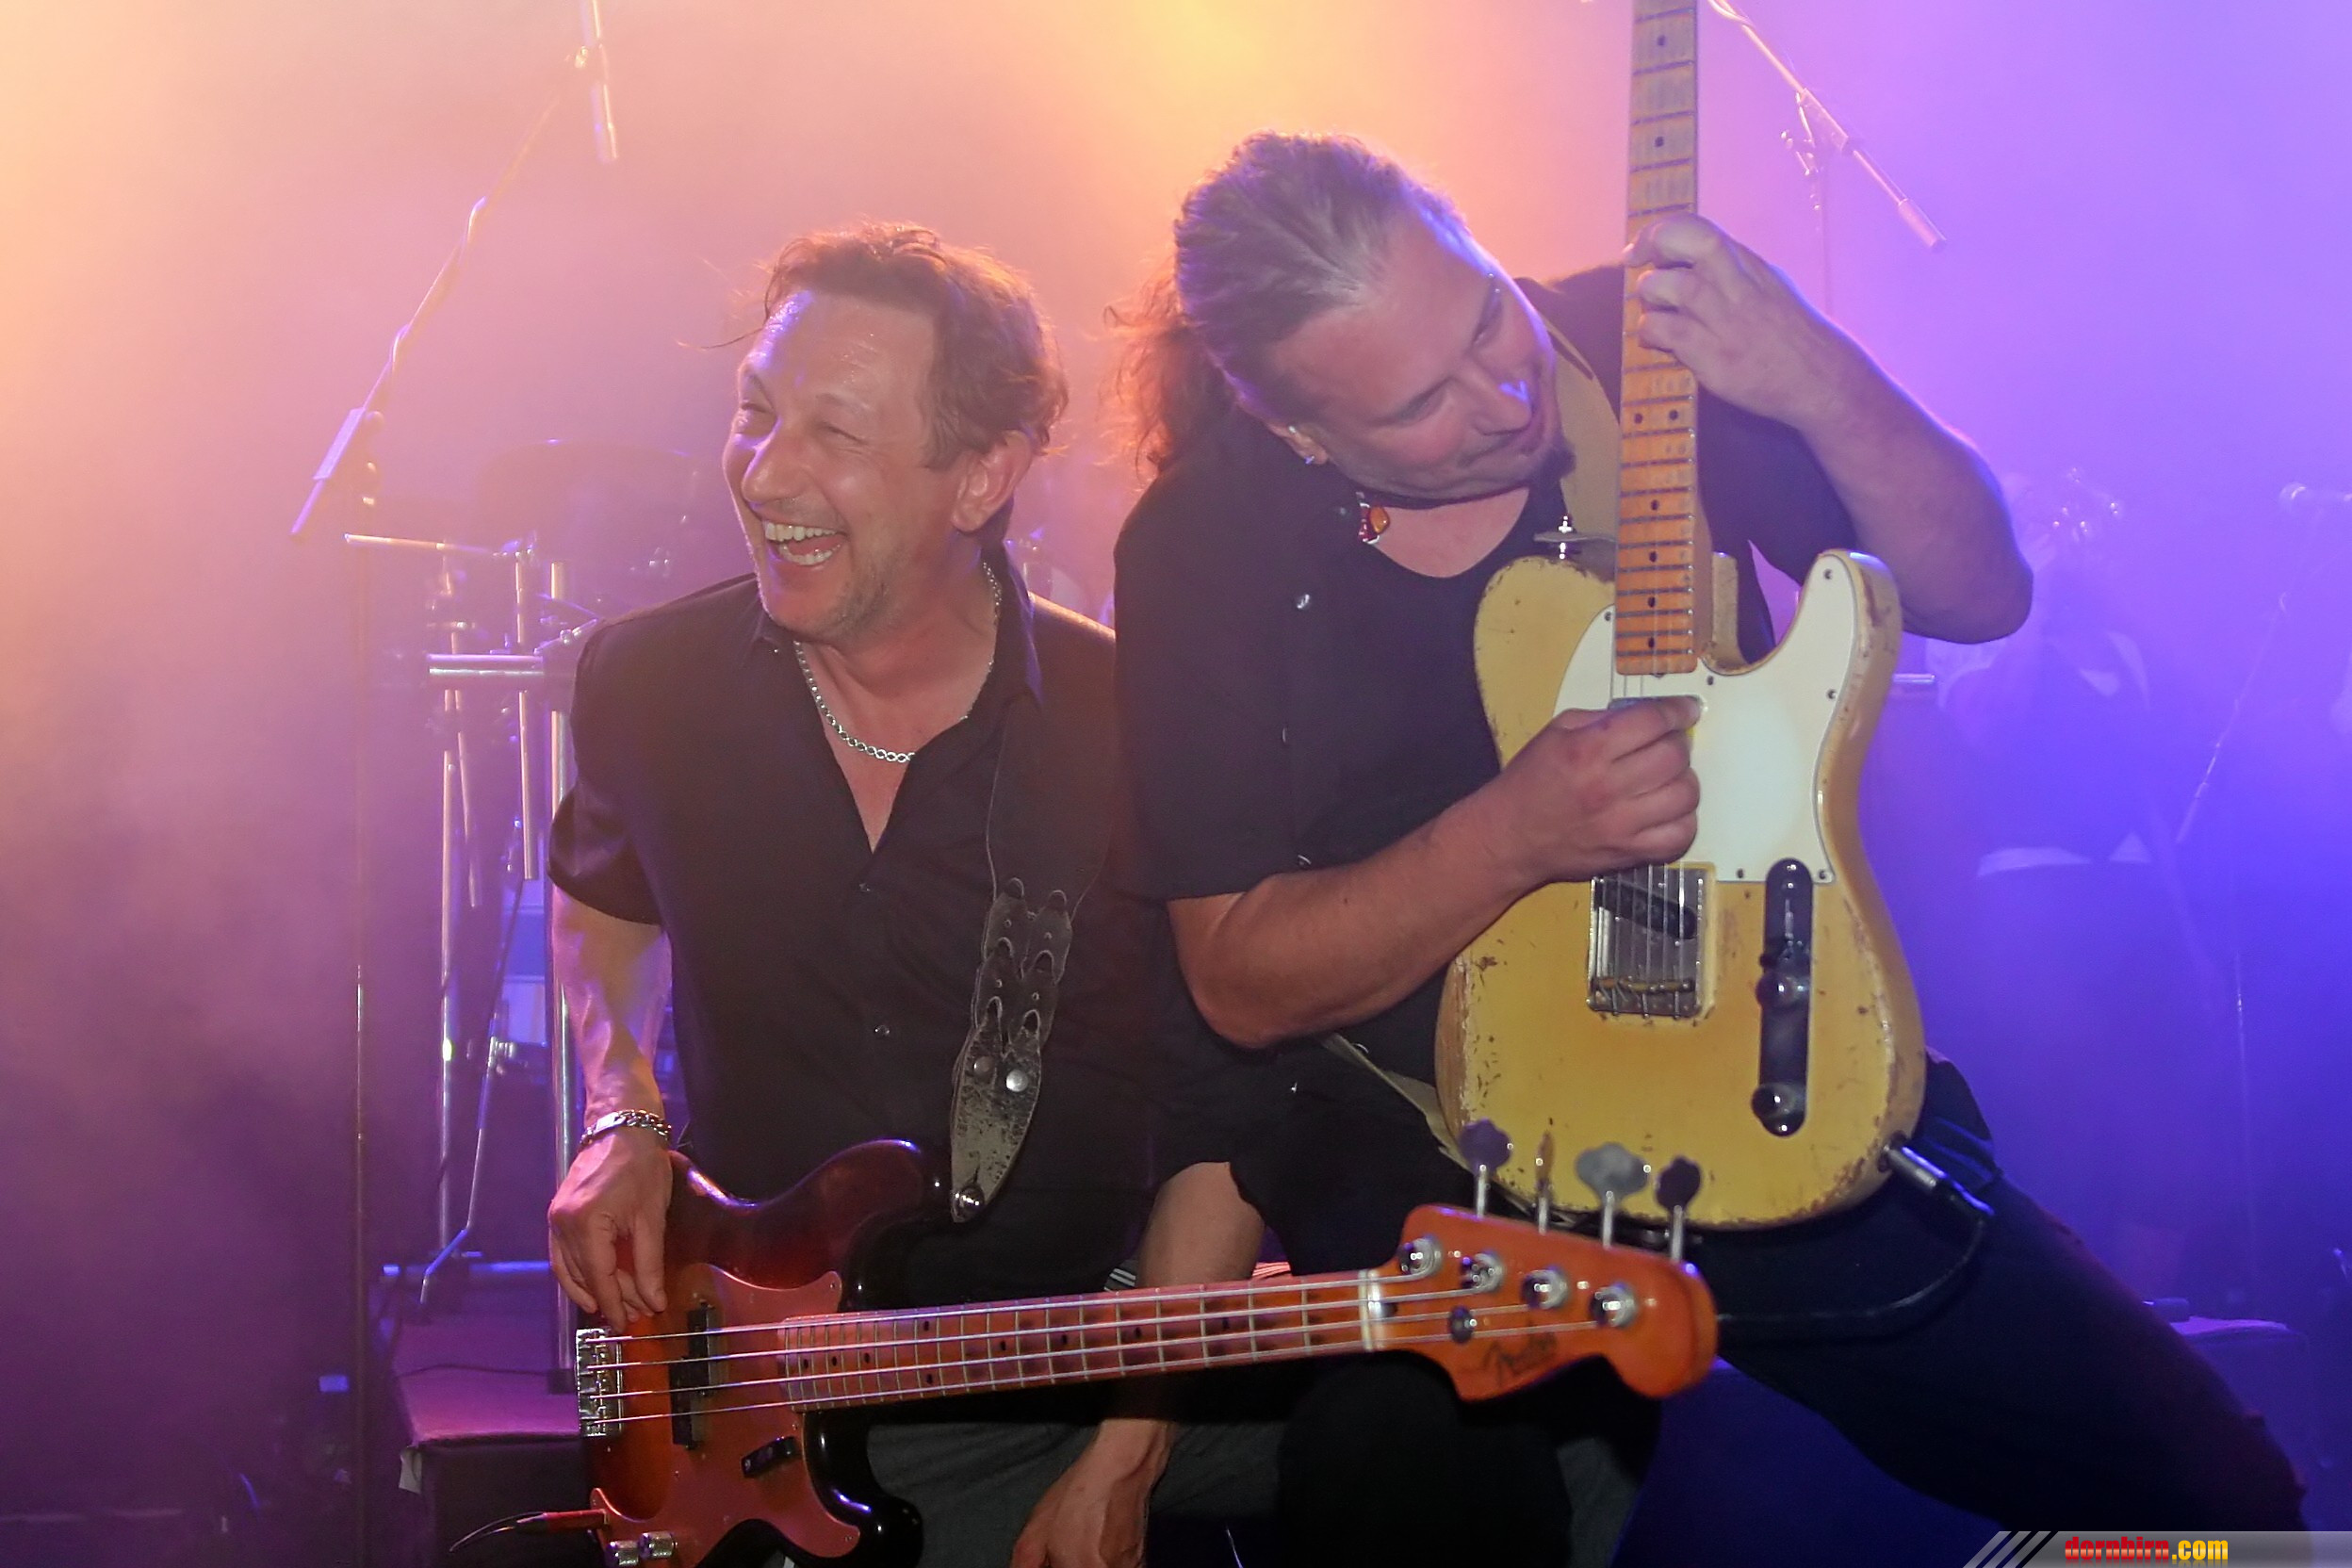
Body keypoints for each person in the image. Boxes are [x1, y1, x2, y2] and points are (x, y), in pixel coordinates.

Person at [1108, 132, 2305, 1560]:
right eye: (1422, 405)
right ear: (1304, 435)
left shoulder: (1650, 351)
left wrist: (1816, 376)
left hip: (1769, 1062)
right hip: (1448, 1155)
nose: (1502, 396)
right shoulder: (1201, 546)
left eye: (1486, 314)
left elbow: (1981, 594)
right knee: (1400, 1481)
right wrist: (1514, 835)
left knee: (2223, 1503)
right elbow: (1239, 981)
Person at [543, 222, 1278, 1568]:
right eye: (755, 412)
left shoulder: (1132, 728)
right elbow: (605, 901)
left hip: (1060, 1383)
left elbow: (1230, 1122)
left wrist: (1128, 1455)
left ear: (981, 476)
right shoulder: (646, 688)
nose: (766, 472)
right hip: (737, 1404)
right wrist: (619, 1109)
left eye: (834, 432)